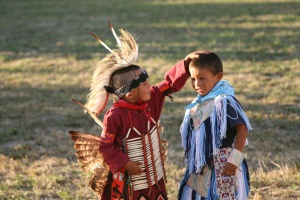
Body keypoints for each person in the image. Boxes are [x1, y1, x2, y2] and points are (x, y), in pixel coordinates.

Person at [83, 23, 197, 200]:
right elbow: (106, 146)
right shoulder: (114, 116)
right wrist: (126, 163)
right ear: (129, 93)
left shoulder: (150, 101)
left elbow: (168, 85)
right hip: (130, 183)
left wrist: (185, 64)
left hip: (155, 179)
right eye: (144, 84)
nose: (149, 86)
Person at [178, 51, 252, 200]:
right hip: (201, 168)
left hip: (224, 165)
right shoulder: (198, 103)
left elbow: (242, 128)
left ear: (218, 77)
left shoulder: (224, 101)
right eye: (193, 79)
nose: (197, 84)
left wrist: (234, 159)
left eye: (202, 78)